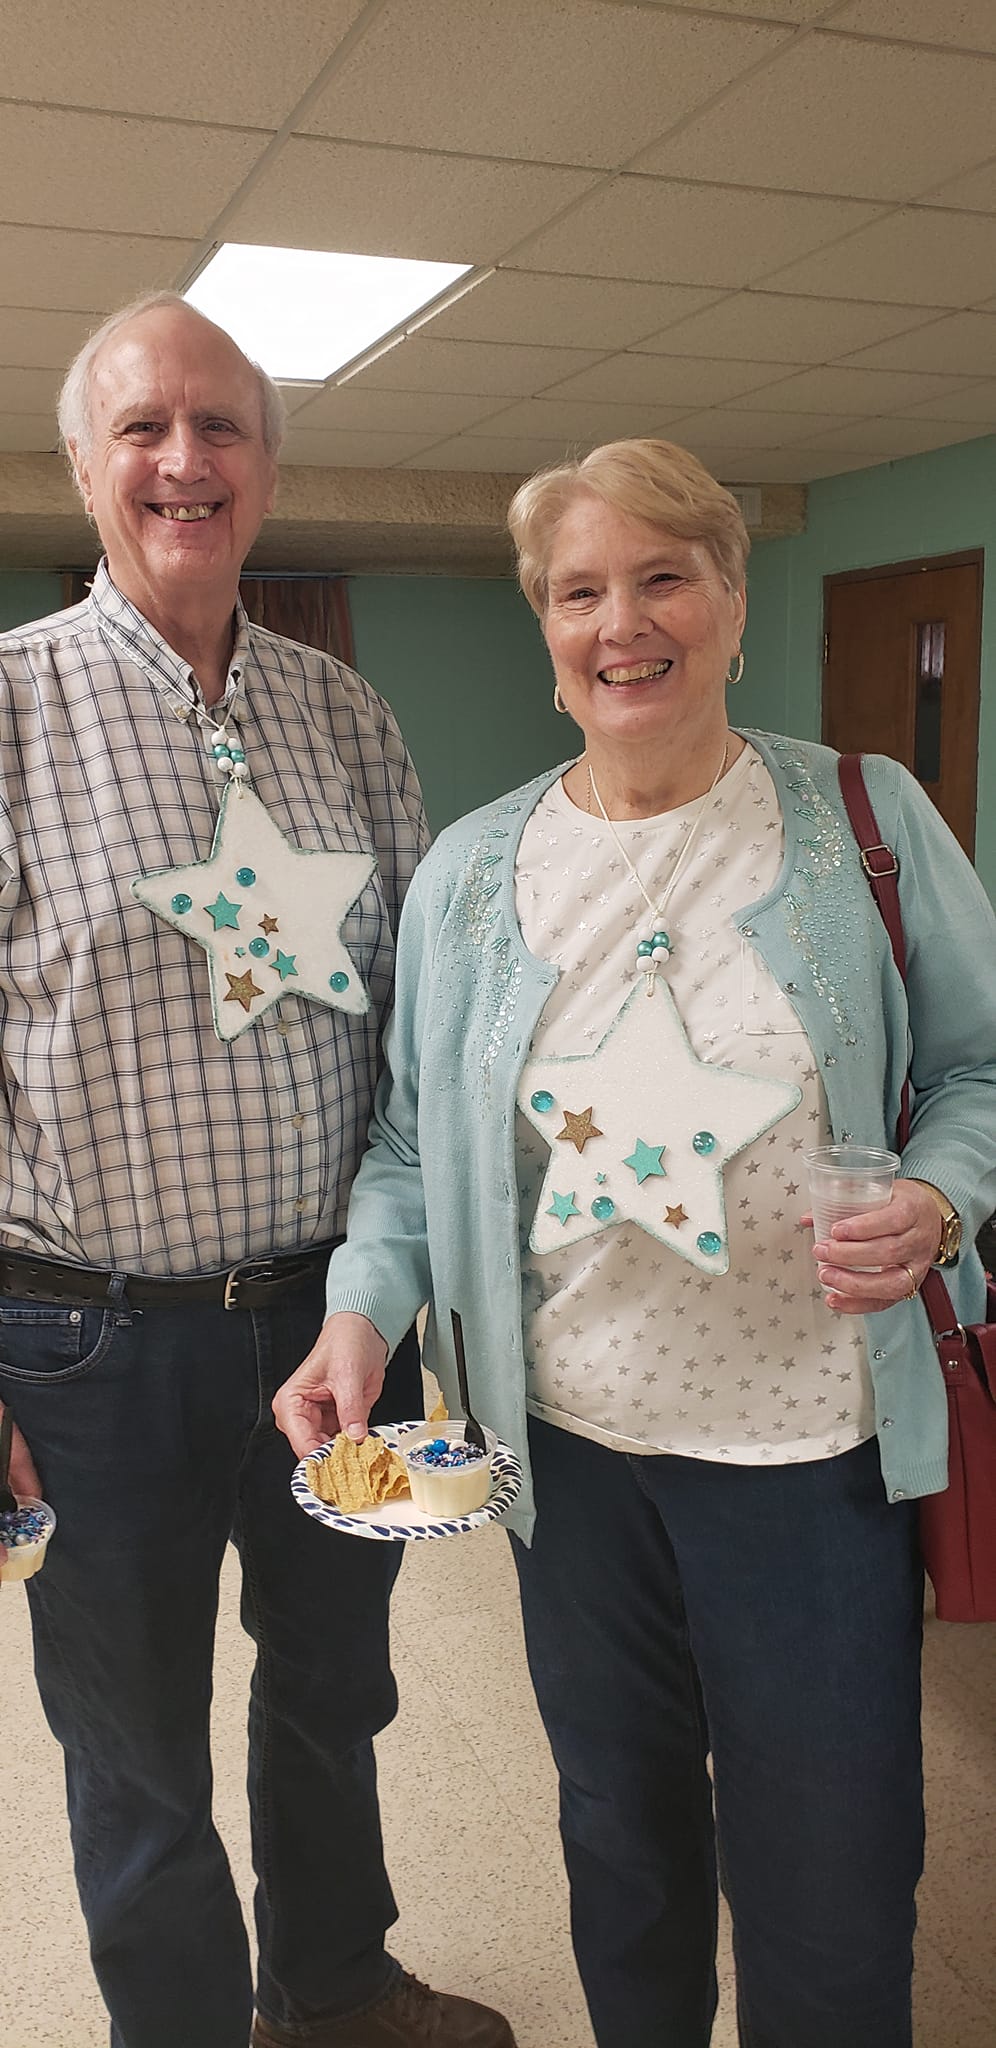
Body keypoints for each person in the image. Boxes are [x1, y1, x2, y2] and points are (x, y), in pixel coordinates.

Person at [275, 437, 996, 2048]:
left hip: (812, 1455)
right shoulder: (473, 873)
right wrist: (361, 1318)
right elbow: (404, 1148)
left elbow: (981, 1073)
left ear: (734, 603)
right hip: (571, 1462)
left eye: (664, 576)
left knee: (831, 1873)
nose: (625, 622)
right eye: (580, 590)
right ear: (544, 630)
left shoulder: (862, 822)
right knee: (623, 1843)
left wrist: (942, 1198)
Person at [0, 292, 515, 2048]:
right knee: (130, 1746)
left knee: (337, 1691)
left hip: (336, 1333)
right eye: (144, 426)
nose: (184, 460)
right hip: (84, 1356)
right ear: (84, 464)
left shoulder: (348, 723)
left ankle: (335, 1983)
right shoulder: (10, 714)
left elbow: (411, 1050)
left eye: (222, 427)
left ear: (269, 469)